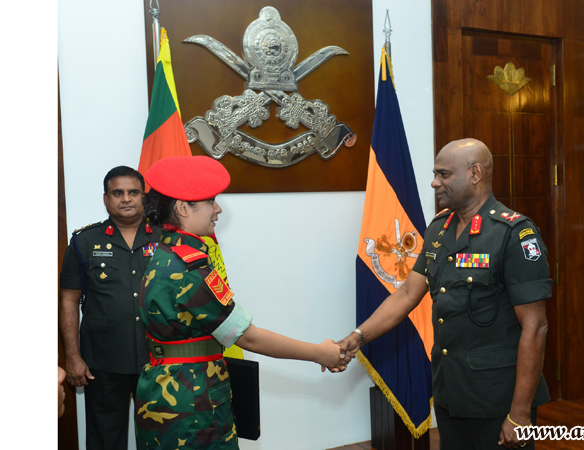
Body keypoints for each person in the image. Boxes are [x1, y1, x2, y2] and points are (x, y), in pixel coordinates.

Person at [338, 139, 552, 450]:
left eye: (444, 174)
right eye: (435, 174)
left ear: (475, 174)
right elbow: (407, 293)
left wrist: (519, 413)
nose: (434, 182)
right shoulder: (439, 228)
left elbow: (536, 326)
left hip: (497, 396)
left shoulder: (513, 233)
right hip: (450, 390)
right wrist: (359, 336)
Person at [134, 156, 349, 450]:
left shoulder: (162, 253)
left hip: (166, 393)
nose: (218, 209)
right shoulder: (189, 269)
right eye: (211, 201)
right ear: (183, 208)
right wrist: (319, 353)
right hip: (193, 405)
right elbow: (248, 337)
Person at [59, 166, 161, 450]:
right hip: (103, 362)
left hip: (158, 361)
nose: (126, 199)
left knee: (160, 439)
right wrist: (73, 357)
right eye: (118, 193)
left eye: (133, 192)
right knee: (105, 441)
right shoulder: (84, 241)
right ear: (106, 199)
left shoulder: (166, 239)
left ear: (144, 197)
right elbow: (69, 301)